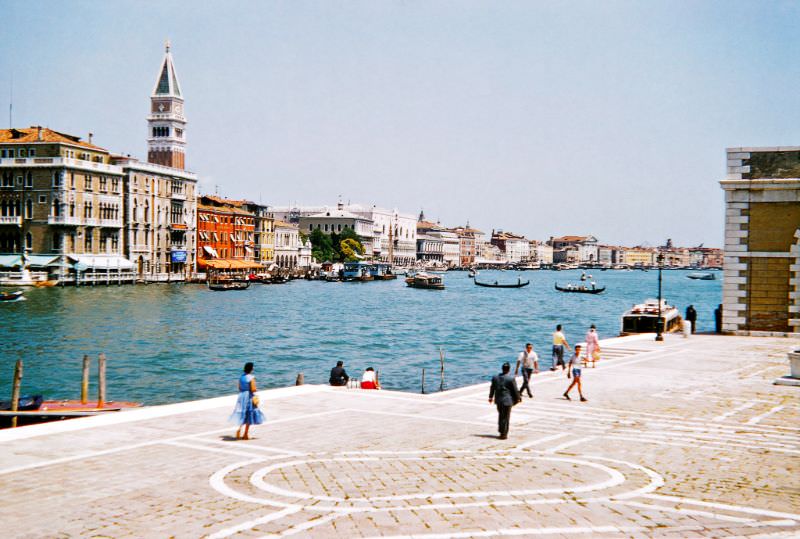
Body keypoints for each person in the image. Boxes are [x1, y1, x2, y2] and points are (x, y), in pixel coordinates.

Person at [229, 362, 264, 440]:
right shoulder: (251, 377)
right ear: (251, 369)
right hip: (249, 397)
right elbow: (253, 389)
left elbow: (239, 387)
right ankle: (245, 434)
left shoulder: (241, 377)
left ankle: (239, 430)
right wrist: (256, 390)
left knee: (243, 414)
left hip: (242, 396)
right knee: (249, 415)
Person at [489, 362, 521, 439]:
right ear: (509, 370)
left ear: (502, 369)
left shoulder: (495, 377)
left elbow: (492, 388)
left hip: (498, 400)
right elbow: (515, 390)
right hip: (507, 400)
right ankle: (504, 433)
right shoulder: (511, 378)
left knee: (501, 416)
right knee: (506, 417)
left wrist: (490, 397)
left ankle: (501, 431)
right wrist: (518, 398)